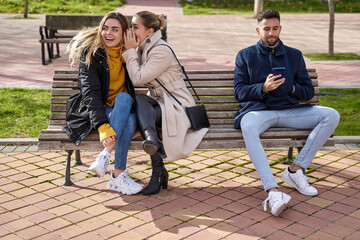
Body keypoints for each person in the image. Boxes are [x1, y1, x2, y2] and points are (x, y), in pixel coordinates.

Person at [234, 9, 339, 216]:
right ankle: (273, 191)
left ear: (280, 28)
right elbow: (239, 92)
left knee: (331, 114)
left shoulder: (294, 55)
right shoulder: (245, 55)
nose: (271, 33)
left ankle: (295, 170)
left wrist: (291, 88)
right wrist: (262, 88)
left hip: (290, 111)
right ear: (258, 30)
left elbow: (307, 92)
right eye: (266, 29)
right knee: (248, 125)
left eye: (275, 28)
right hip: (259, 112)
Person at [122, 11, 208, 195]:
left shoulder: (161, 50)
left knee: (144, 113)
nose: (131, 30)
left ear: (150, 31)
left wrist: (129, 51)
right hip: (161, 103)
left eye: (135, 26)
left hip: (178, 105)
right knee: (140, 103)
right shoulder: (144, 47)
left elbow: (137, 78)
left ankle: (157, 171)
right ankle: (156, 160)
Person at [63, 11, 143, 195]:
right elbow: (90, 94)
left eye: (115, 29)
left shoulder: (128, 54)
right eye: (105, 28)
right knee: (129, 121)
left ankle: (105, 155)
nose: (108, 33)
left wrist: (132, 51)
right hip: (96, 112)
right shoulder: (91, 54)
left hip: (120, 108)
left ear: (124, 33)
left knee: (124, 98)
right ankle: (117, 175)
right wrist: (102, 126)